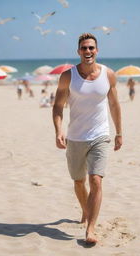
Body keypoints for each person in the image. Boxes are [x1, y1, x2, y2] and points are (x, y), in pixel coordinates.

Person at [52, 33, 122, 244]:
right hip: (75, 137)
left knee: (96, 180)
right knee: (79, 181)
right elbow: (57, 106)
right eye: (84, 48)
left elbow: (114, 105)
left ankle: (90, 229)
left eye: (91, 48)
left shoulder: (108, 75)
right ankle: (85, 210)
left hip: (100, 135)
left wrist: (119, 132)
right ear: (78, 51)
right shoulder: (67, 76)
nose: (88, 51)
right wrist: (58, 130)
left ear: (97, 50)